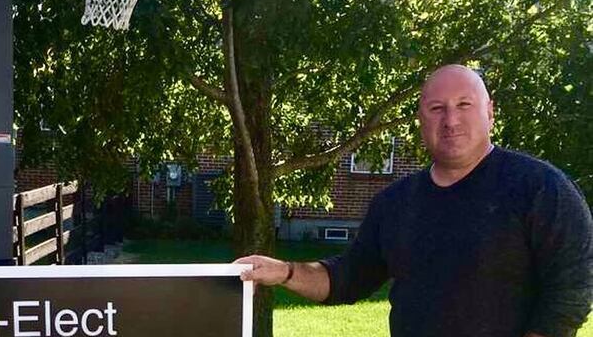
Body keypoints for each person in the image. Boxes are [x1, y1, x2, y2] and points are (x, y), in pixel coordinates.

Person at [236, 65, 593, 337]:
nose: (451, 120)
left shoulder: (541, 187)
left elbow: (571, 290)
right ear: (421, 120)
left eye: (464, 105)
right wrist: (285, 271)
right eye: (437, 108)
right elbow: (348, 277)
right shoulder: (395, 203)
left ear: (490, 112)